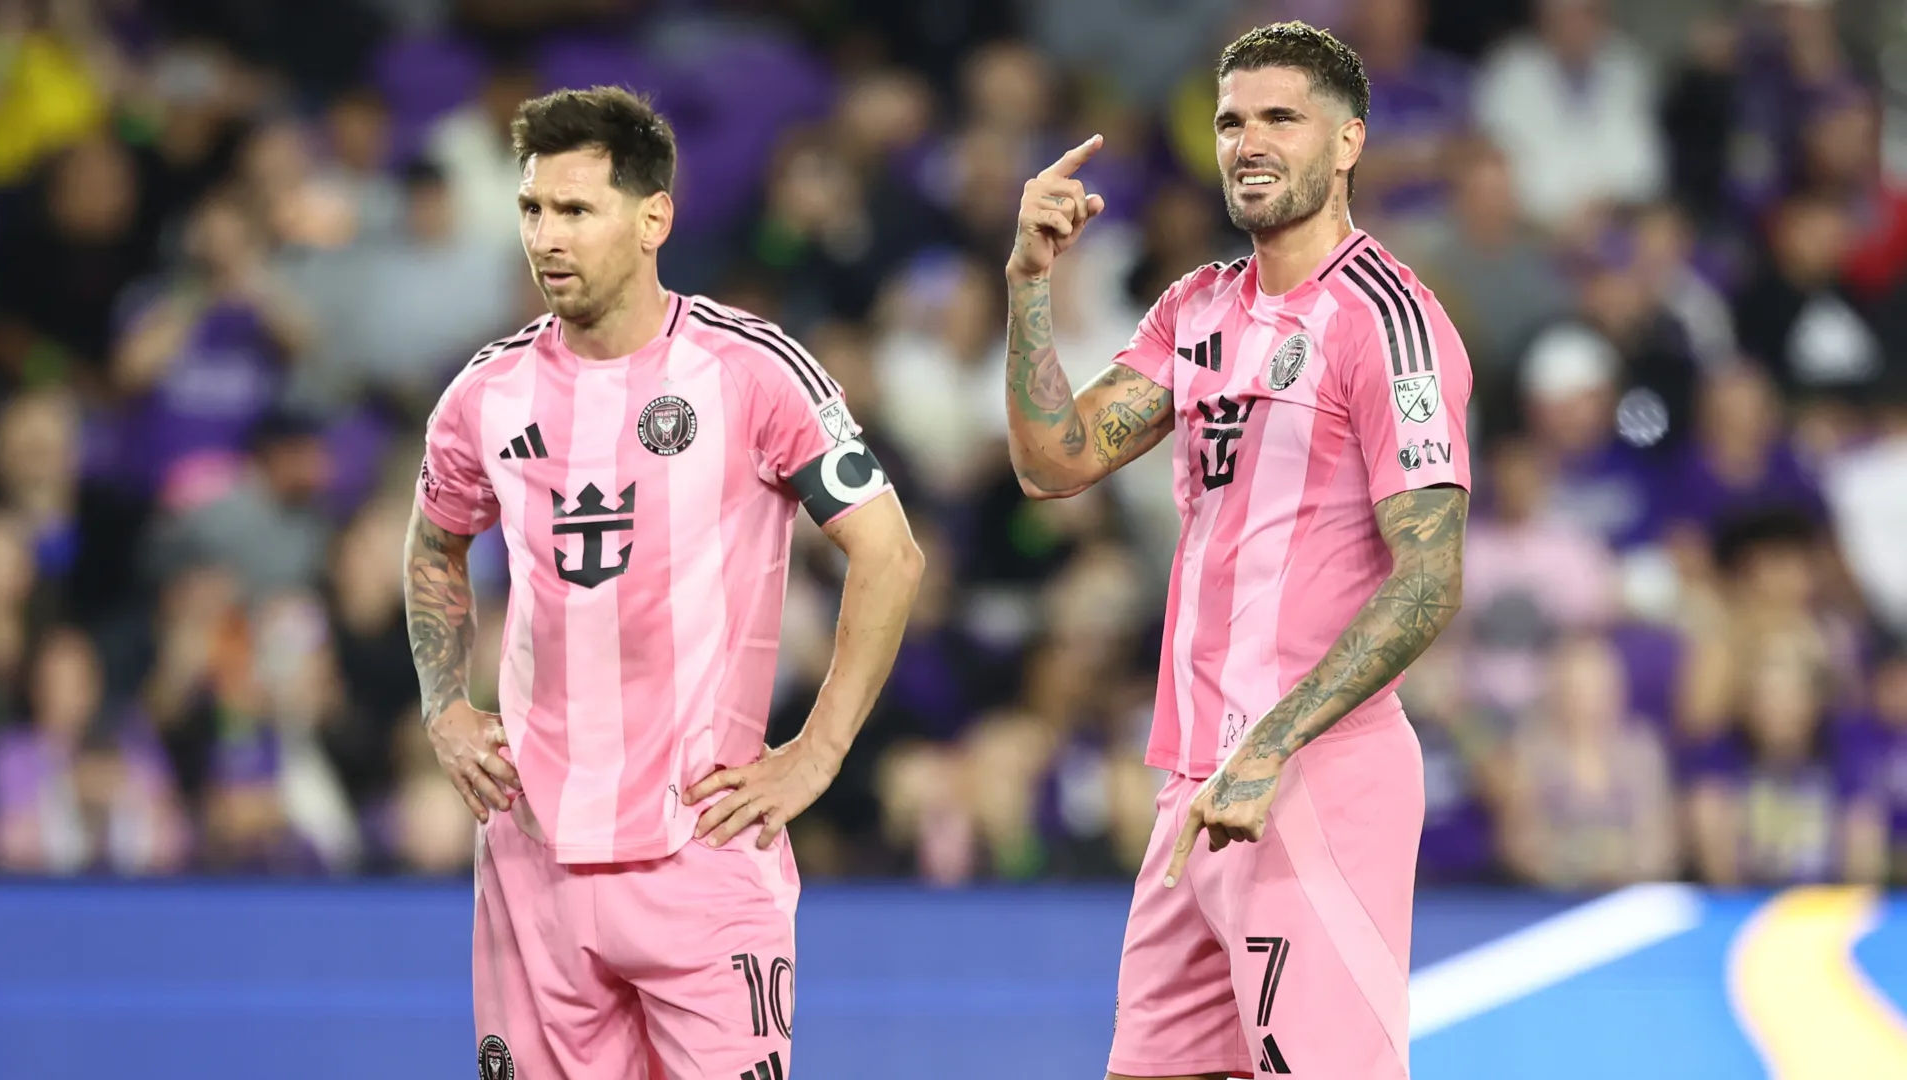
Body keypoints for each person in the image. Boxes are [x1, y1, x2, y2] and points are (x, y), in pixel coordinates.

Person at [405, 86, 924, 1080]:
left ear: (653, 219)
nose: (548, 238)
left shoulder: (751, 370)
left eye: (577, 210)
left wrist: (816, 755)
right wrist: (443, 705)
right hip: (532, 862)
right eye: (533, 211)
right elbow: (434, 544)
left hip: (703, 853)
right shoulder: (484, 393)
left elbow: (891, 554)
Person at [1002, 22, 1471, 1080]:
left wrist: (1273, 743)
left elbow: (1431, 575)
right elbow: (1052, 462)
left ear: (1348, 141)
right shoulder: (1197, 309)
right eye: (1229, 122)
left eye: (1279, 119)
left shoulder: (1390, 323)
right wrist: (1030, 283)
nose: (1248, 143)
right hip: (1196, 788)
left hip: (1315, 774)